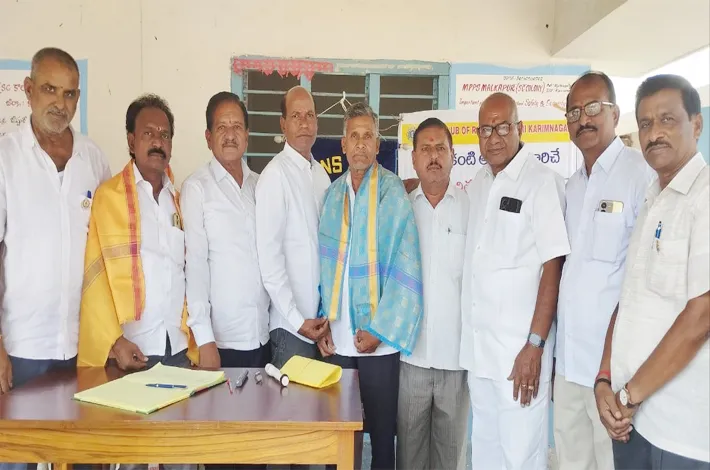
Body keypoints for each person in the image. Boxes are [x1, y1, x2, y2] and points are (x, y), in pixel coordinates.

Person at [0, 46, 111, 470]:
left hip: (84, 348)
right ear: (28, 90)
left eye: (69, 93)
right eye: (49, 89)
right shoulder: (6, 159)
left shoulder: (92, 159)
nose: (59, 103)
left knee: (84, 458)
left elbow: (107, 251)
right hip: (22, 347)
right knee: (17, 459)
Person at [595, 74, 709, 469]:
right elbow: (628, 300)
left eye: (667, 120)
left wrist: (629, 395)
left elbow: (701, 317)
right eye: (645, 124)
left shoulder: (704, 198)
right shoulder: (653, 200)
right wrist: (605, 379)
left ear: (696, 124)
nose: (654, 133)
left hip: (681, 434)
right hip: (632, 422)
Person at [460, 93, 570, 470]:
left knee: (520, 457)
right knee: (486, 454)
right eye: (485, 129)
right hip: (481, 355)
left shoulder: (541, 183)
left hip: (519, 357)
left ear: (519, 128)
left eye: (503, 127)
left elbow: (553, 266)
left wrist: (535, 345)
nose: (494, 138)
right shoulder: (478, 183)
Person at [554, 71, 654, 470]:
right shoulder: (572, 185)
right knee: (571, 462)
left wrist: (618, 373)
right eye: (574, 112)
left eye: (593, 107)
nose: (583, 119)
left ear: (615, 113)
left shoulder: (640, 176)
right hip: (568, 365)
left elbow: (642, 280)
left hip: (612, 372)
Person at [317, 102, 424, 470]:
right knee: (339, 436)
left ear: (378, 145)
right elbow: (324, 267)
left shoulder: (392, 193)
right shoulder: (332, 195)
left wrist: (380, 331)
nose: (361, 144)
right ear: (343, 144)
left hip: (378, 340)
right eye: (354, 136)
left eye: (368, 137)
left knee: (381, 436)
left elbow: (405, 268)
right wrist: (323, 321)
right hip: (339, 338)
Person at [78, 94, 198, 372]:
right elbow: (95, 278)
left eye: (165, 135)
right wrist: (116, 342)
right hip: (132, 351)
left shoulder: (180, 200)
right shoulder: (109, 198)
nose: (158, 141)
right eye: (148, 133)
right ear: (132, 142)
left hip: (178, 348)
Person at [396, 117, 469, 470]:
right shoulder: (401, 210)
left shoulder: (472, 209)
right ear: (413, 159)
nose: (434, 156)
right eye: (425, 149)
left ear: (453, 155)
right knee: (409, 458)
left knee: (449, 459)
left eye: (441, 148)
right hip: (411, 358)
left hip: (456, 360)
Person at [182, 92, 270, 376]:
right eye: (221, 127)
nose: (230, 135)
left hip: (264, 335)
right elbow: (195, 266)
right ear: (208, 137)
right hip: (222, 343)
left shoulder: (261, 185)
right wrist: (204, 339)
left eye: (236, 127)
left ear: (247, 135)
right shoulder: (197, 188)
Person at [255, 86, 331, 369]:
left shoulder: (321, 175)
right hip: (291, 329)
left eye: (309, 115)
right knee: (293, 399)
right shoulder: (275, 176)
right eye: (296, 116)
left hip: (320, 326)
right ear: (283, 124)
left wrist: (325, 321)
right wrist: (298, 321)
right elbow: (270, 261)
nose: (304, 123)